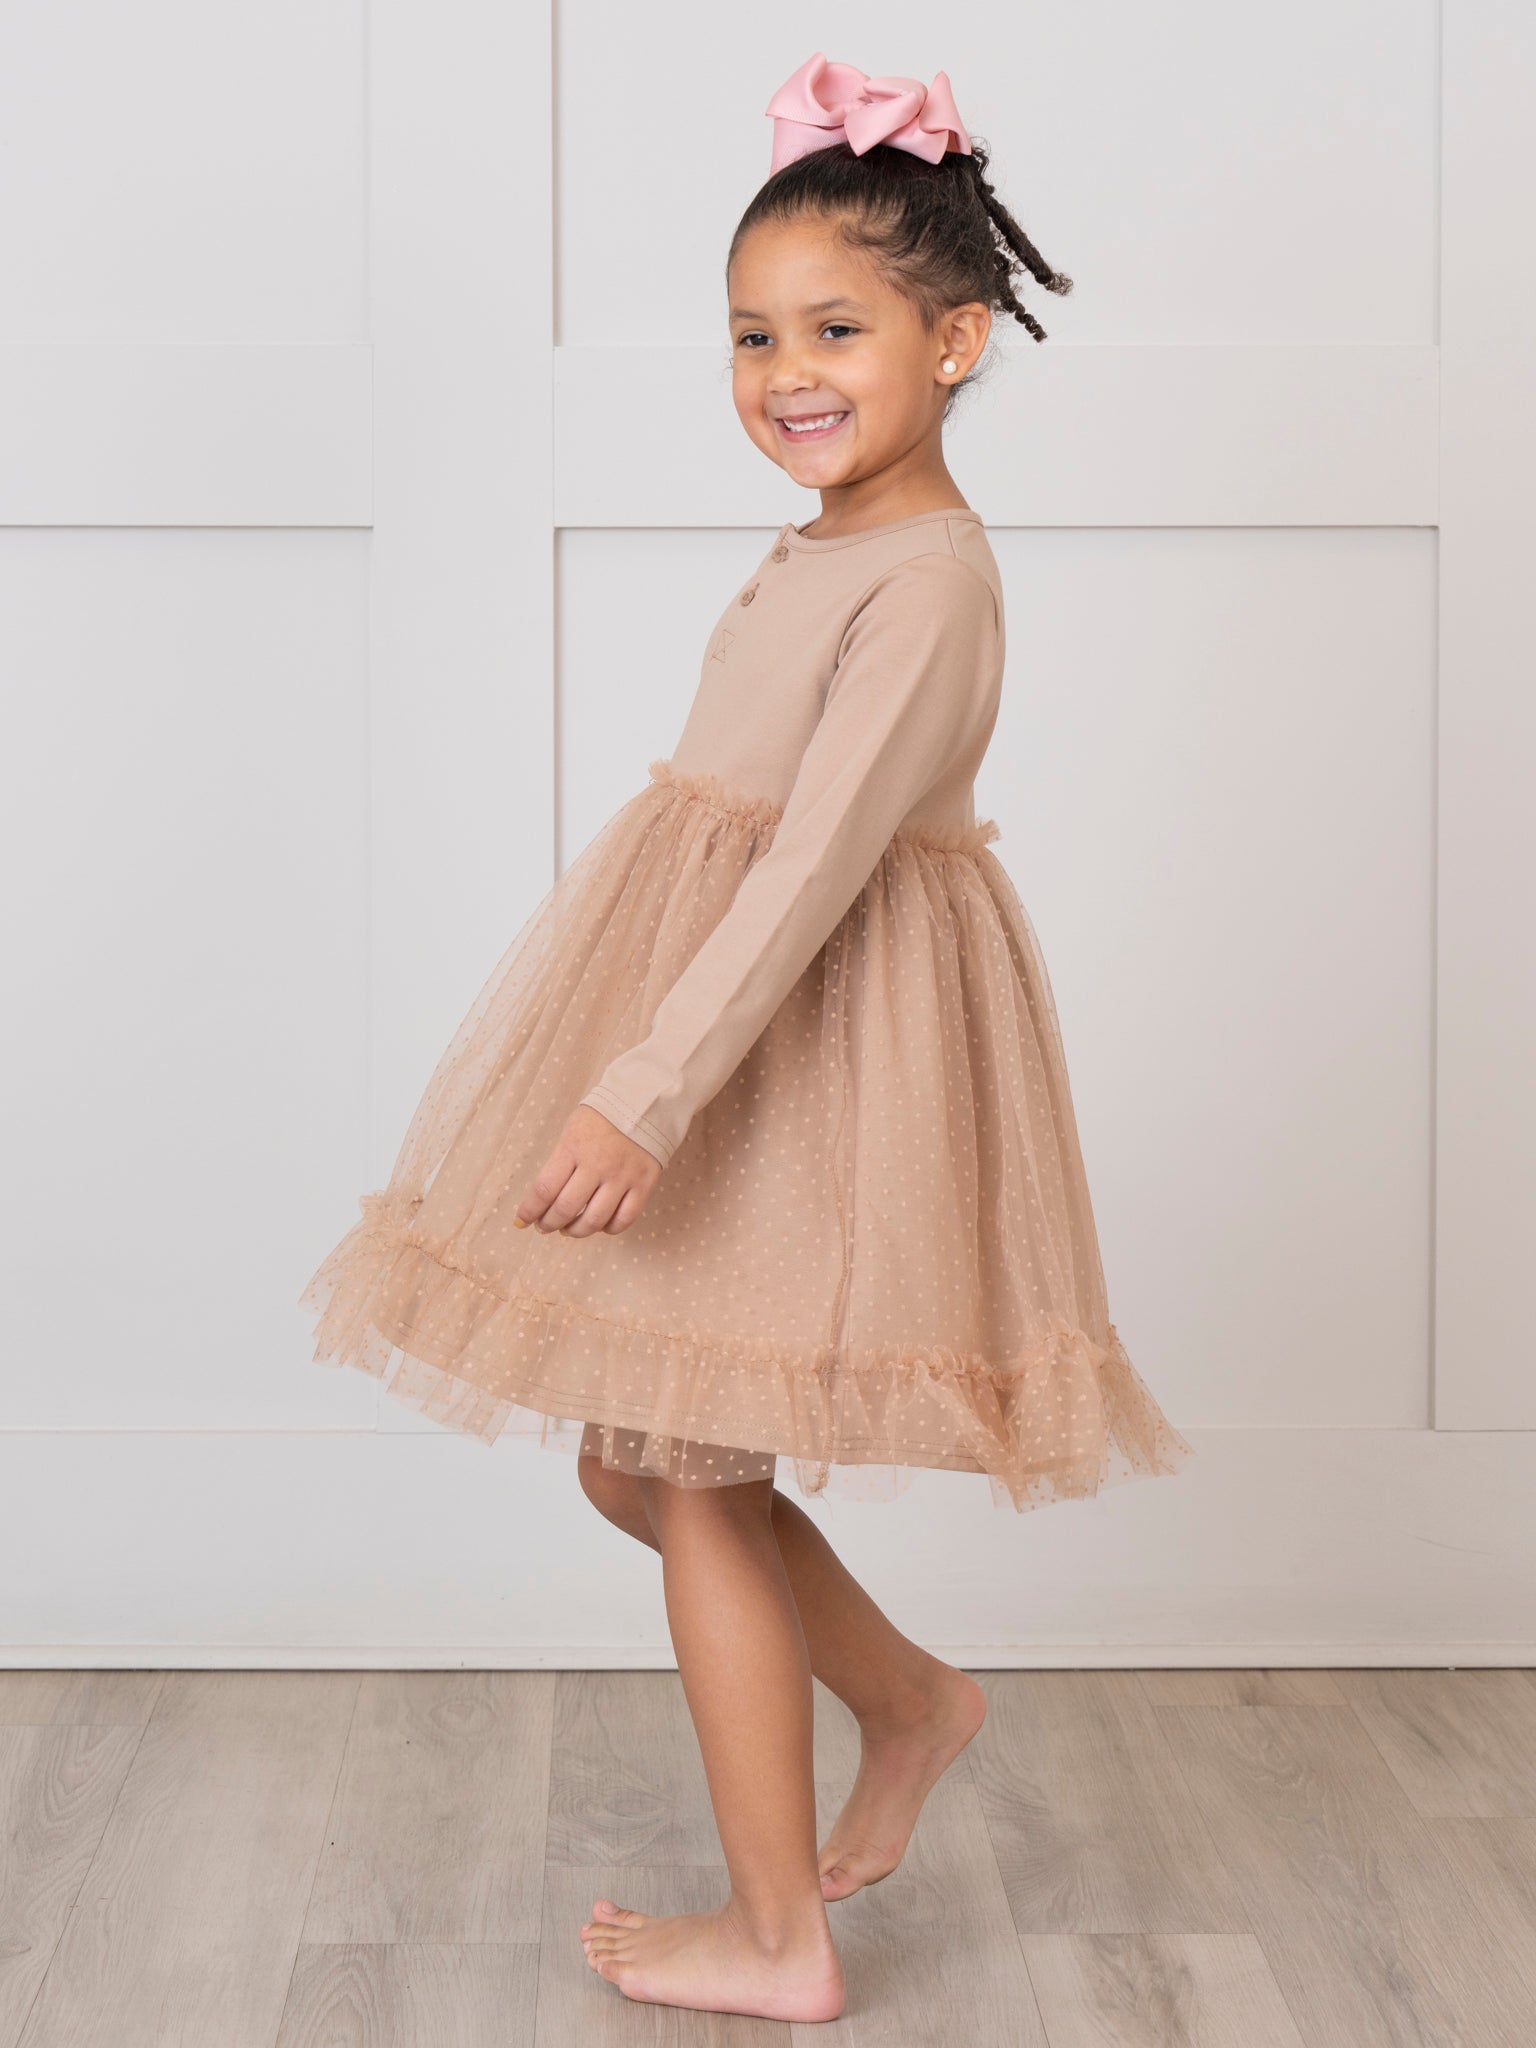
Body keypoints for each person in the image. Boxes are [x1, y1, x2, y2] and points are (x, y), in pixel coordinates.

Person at [300, 50, 1194, 2024]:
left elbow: (810, 873)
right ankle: (910, 1698)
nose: (787, 371)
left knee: (688, 1472)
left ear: (956, 340)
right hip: (732, 1022)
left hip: (799, 1051)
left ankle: (783, 1933)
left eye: (837, 330)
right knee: (635, 1467)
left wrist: (644, 1091)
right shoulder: (835, 539)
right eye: (752, 334)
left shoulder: (929, 581)